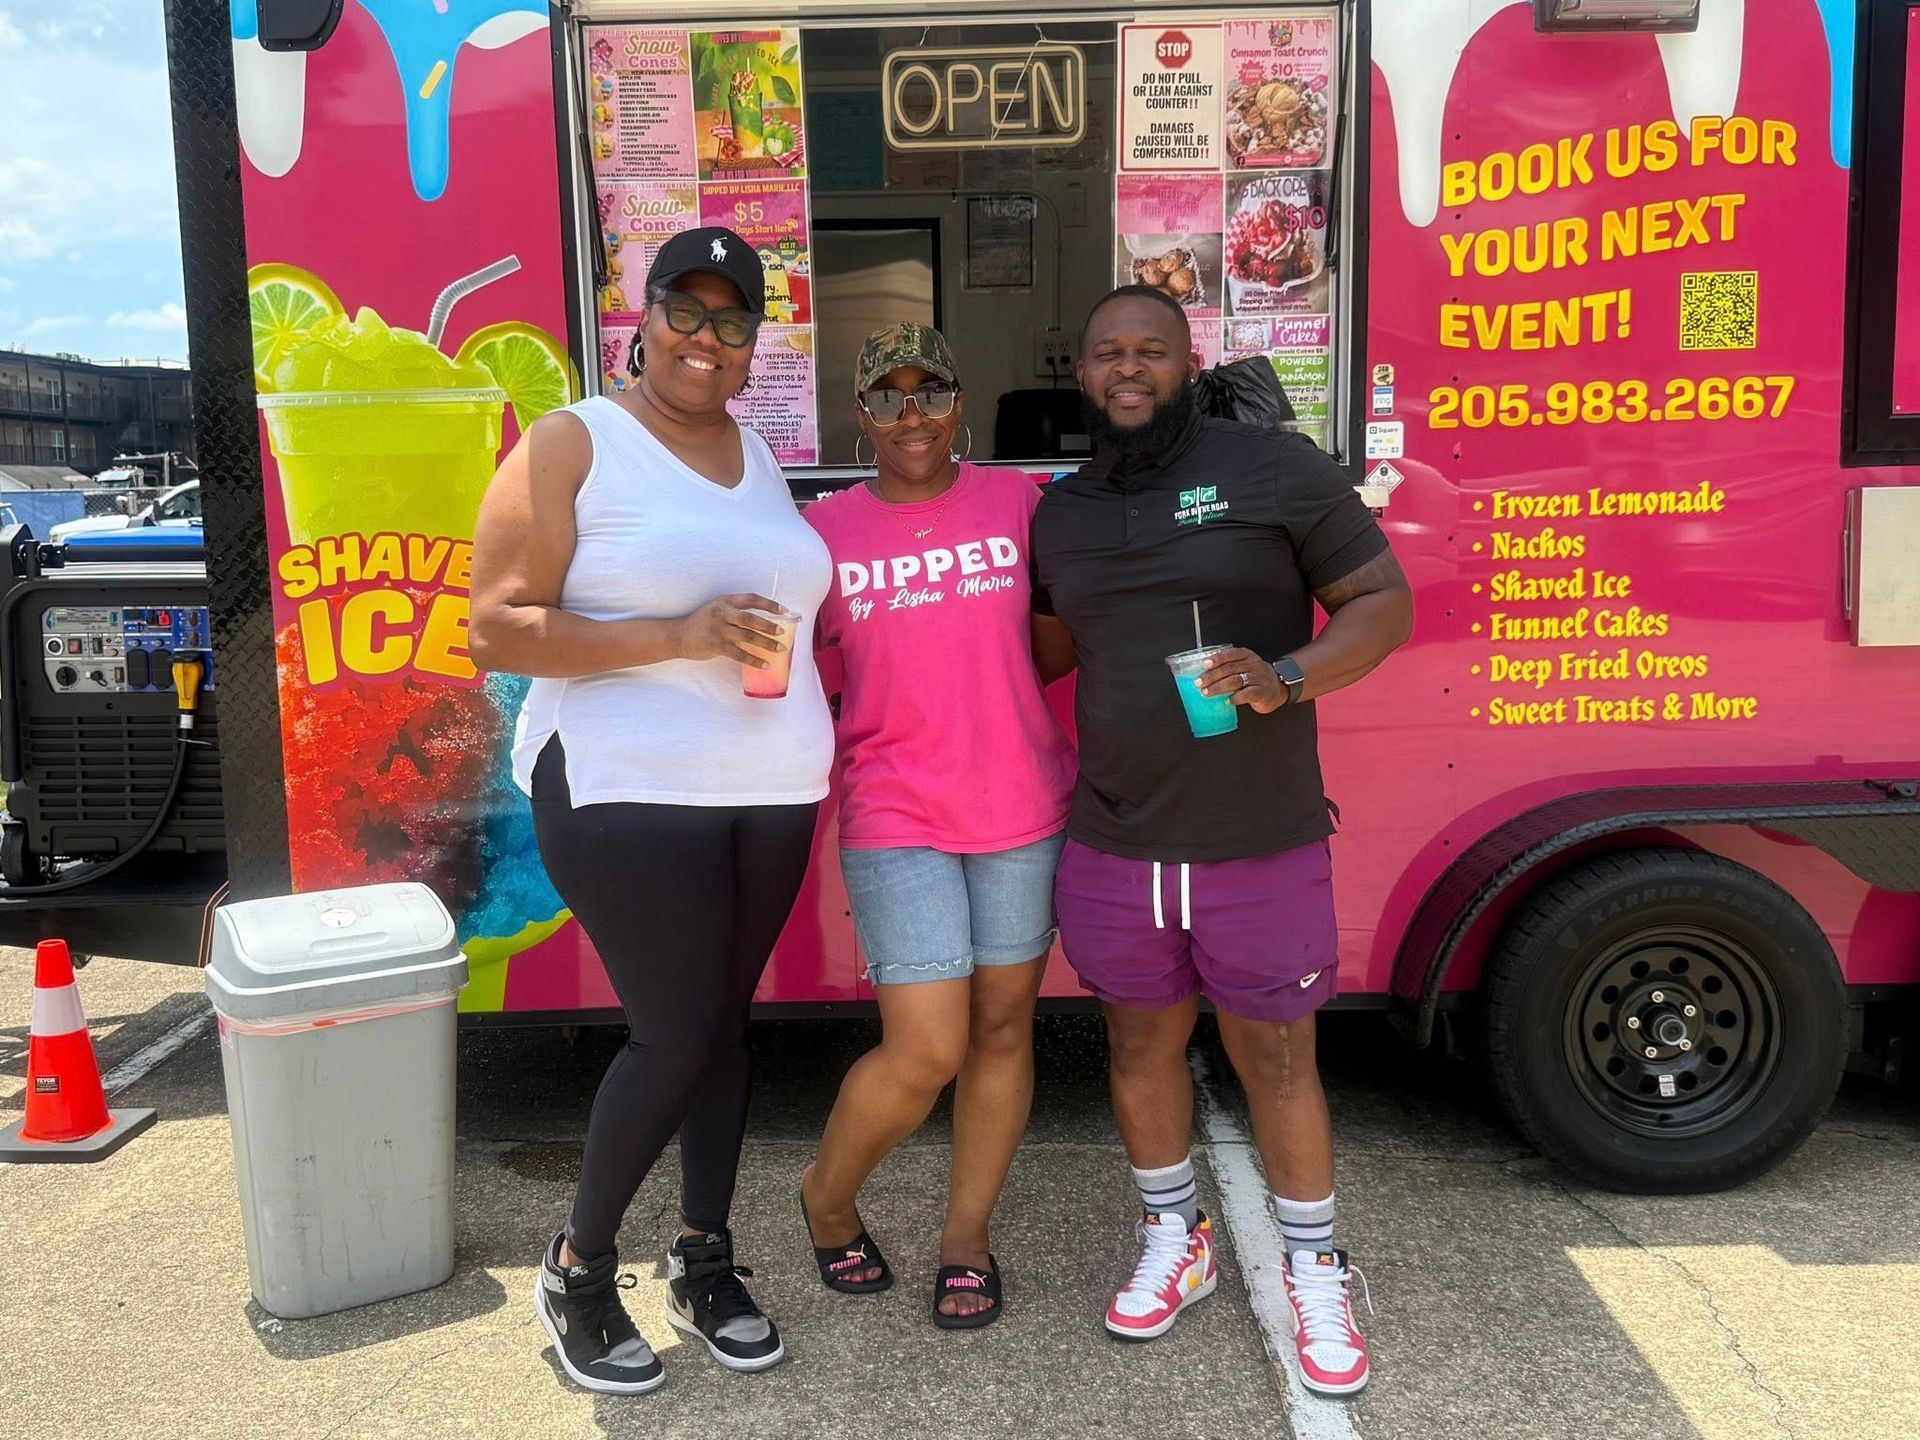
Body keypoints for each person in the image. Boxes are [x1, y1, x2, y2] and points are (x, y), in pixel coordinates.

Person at [1029, 285, 1412, 1394]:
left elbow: (1383, 604)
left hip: (1259, 838)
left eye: (1152, 350)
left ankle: (1314, 1265)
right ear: (1085, 371)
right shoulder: (1064, 511)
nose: (1129, 369)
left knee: (1277, 1057)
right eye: (1109, 353)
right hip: (1116, 843)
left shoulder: (1276, 469)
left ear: (1189, 364)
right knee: (1139, 1048)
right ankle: (1175, 1239)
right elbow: (1045, 653)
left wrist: (1288, 676)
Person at [470, 227, 833, 1394]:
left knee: (724, 1026)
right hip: (624, 783)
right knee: (674, 1030)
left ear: (753, 345)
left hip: (768, 783)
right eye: (688, 310)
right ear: (647, 312)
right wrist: (675, 637)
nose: (707, 341)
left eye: (735, 324)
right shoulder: (574, 440)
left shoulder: (758, 455)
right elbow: (497, 624)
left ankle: (704, 1257)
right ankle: (580, 1266)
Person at [797, 324, 1076, 1329]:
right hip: (895, 810)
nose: (909, 416)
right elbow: (811, 677)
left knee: (1004, 1027)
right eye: (886, 396)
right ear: (859, 412)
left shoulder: (1020, 504)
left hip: (1021, 804)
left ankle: (966, 1237)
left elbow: (1048, 645)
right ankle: (826, 1201)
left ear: (961, 402)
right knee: (925, 1050)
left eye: (931, 392)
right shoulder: (822, 532)